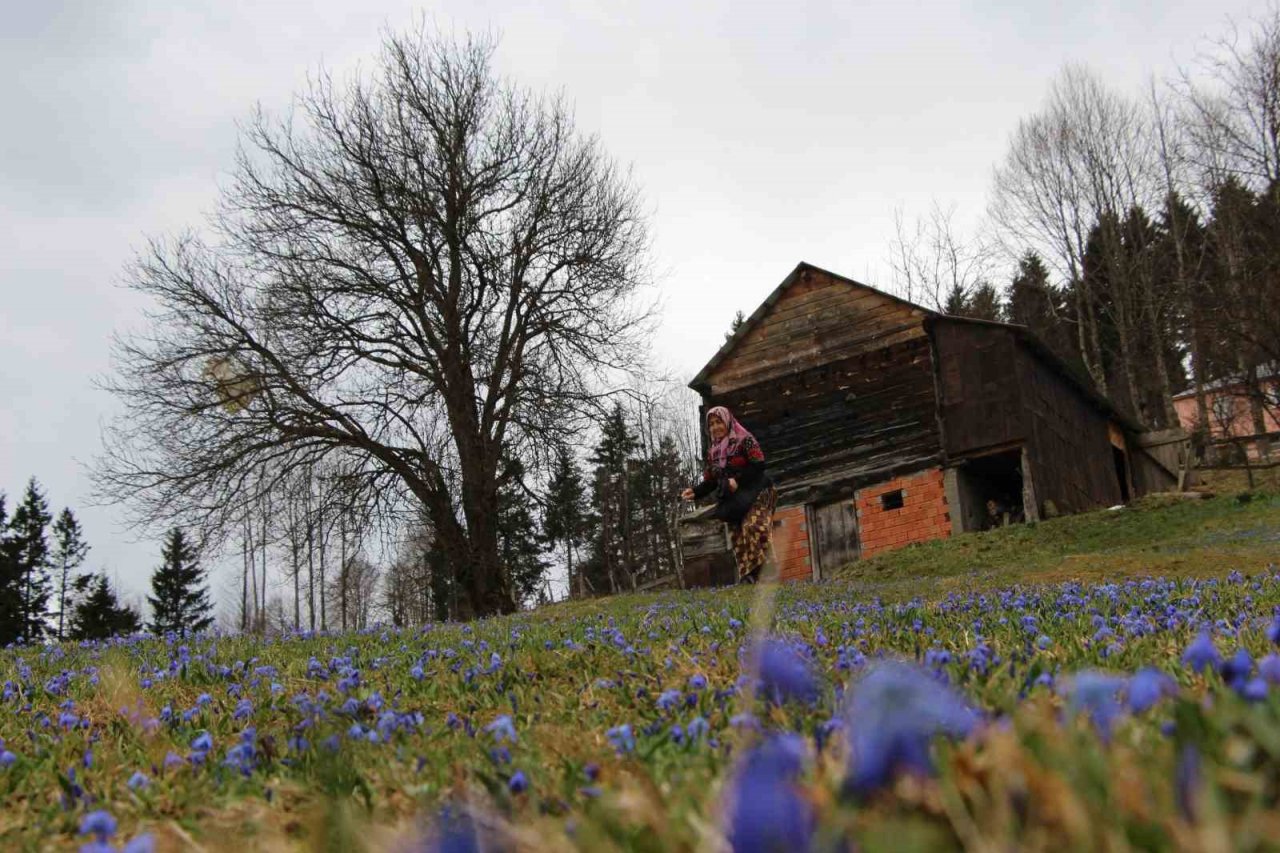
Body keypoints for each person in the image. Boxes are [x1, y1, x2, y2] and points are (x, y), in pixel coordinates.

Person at [680, 406, 777, 583]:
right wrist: (695, 492)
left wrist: (738, 480)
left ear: (728, 421)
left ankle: (767, 571)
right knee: (737, 535)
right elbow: (711, 481)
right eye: (711, 424)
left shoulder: (745, 440)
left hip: (757, 491)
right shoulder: (713, 453)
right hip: (735, 500)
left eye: (719, 422)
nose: (715, 427)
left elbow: (759, 465)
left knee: (752, 526)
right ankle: (748, 577)